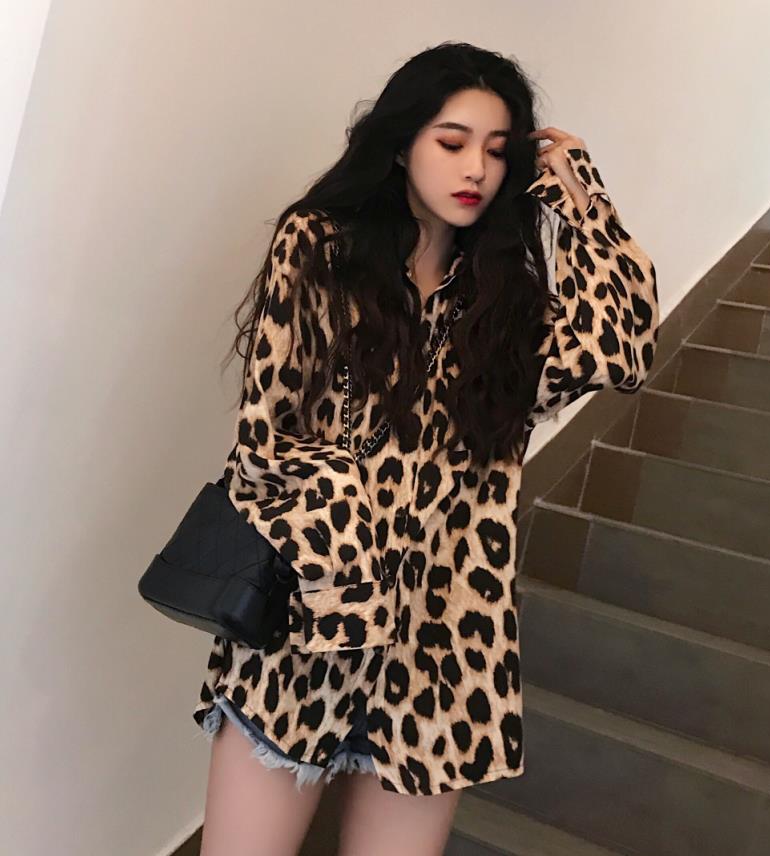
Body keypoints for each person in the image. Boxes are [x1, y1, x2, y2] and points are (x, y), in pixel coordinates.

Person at [192, 40, 659, 856]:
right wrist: (352, 580)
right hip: (309, 630)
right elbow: (268, 441)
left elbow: (621, 348)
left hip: (441, 655)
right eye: (452, 141)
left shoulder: (507, 298)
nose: (475, 167)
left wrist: (581, 195)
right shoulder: (321, 248)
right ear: (403, 140)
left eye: (498, 150)